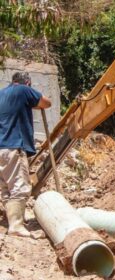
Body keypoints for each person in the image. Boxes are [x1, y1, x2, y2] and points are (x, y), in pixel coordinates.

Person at [0, 72, 51, 237]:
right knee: (20, 187)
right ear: (27, 83)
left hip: (1, 148)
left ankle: (13, 218)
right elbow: (46, 102)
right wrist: (34, 101)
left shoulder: (2, 94)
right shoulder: (23, 90)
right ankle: (16, 226)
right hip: (14, 146)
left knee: (6, 187)